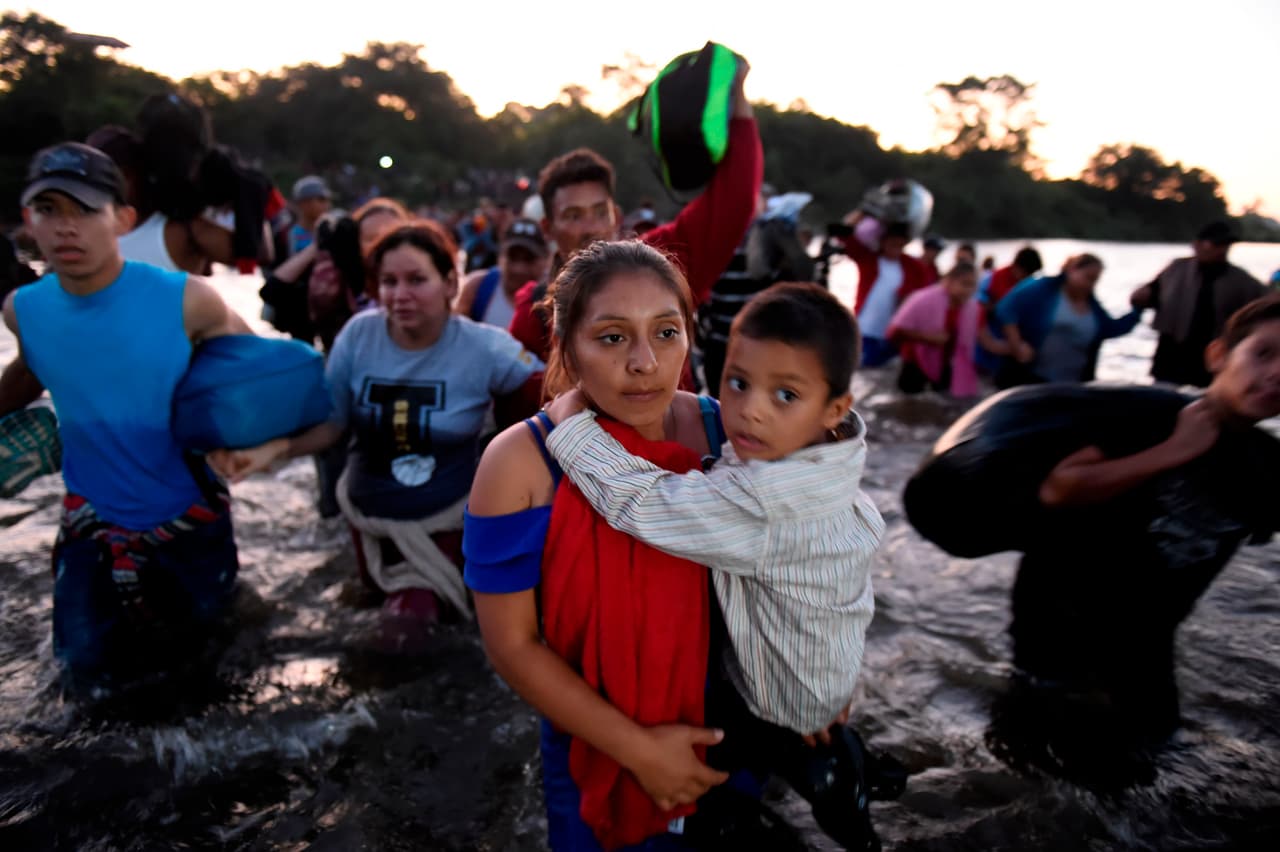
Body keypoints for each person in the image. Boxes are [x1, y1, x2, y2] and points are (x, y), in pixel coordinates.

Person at [542, 282, 890, 849]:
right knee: (803, 769)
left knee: (713, 787)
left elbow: (641, 502)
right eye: (738, 382)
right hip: (822, 676)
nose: (750, 409)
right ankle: (843, 778)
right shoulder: (833, 458)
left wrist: (570, 422)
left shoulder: (766, 505)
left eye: (785, 395)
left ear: (834, 408)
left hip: (776, 702)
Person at [464, 242, 743, 851]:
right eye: (613, 338)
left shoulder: (727, 434)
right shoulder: (519, 464)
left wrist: (819, 693)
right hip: (594, 745)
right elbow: (512, 645)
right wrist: (640, 751)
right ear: (567, 347)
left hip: (732, 732)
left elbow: (802, 564)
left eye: (666, 332)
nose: (645, 362)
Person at [992, 294, 1280, 781]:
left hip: (1147, 649)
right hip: (1059, 640)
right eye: (1263, 353)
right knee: (1035, 777)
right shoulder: (1150, 415)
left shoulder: (1264, 465)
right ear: (1218, 355)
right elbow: (1061, 487)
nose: (1276, 373)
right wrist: (1175, 450)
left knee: (1154, 775)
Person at [211, 221, 543, 628]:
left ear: (450, 283)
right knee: (363, 618)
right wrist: (273, 450)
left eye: (416, 280)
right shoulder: (359, 335)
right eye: (389, 282)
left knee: (406, 628)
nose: (400, 294)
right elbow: (332, 425)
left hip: (443, 527)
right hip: (366, 524)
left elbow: (549, 395)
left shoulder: (486, 347)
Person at [0, 142, 249, 680]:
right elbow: (30, 370)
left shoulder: (188, 301)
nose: (67, 228)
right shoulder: (24, 310)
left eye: (86, 209)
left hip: (190, 527)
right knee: (84, 683)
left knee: (208, 678)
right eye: (49, 210)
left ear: (123, 219)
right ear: (28, 221)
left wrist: (250, 439)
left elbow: (263, 378)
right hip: (90, 529)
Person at [507, 60, 762, 369]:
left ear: (616, 216)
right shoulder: (533, 317)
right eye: (574, 216)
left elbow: (734, 201)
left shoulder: (662, 264)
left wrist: (736, 93)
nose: (591, 228)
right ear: (548, 228)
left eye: (600, 212)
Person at [1130, 221, 1266, 388]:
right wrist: (1140, 297)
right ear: (1197, 244)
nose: (1222, 250)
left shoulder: (1242, 281)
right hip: (1170, 358)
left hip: (1212, 363)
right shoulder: (1176, 269)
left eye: (1225, 245)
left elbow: (1264, 307)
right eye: (1216, 244)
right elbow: (1149, 294)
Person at [995, 253, 1140, 386]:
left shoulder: (1093, 306)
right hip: (1032, 379)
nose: (1090, 284)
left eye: (1095, 280)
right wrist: (1017, 345)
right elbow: (1006, 308)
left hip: (1074, 384)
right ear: (1072, 269)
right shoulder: (1044, 287)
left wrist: (1138, 309)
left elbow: (1111, 329)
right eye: (1088, 277)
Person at [838, 212, 929, 368]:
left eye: (899, 241)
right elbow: (843, 234)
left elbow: (922, 301)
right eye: (891, 240)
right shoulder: (868, 259)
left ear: (906, 242)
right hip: (864, 331)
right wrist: (864, 212)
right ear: (882, 240)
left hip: (895, 336)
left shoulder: (915, 267)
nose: (895, 244)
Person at [888, 261, 993, 396]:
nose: (969, 290)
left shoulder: (972, 308)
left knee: (948, 401)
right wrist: (928, 338)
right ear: (949, 281)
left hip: (947, 363)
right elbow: (893, 332)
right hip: (915, 363)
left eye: (973, 286)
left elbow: (985, 339)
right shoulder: (922, 299)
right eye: (965, 284)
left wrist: (1012, 348)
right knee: (909, 402)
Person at [454, 218, 550, 329]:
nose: (519, 269)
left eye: (529, 259)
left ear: (546, 260)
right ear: (500, 257)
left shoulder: (554, 296)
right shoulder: (476, 287)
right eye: (512, 258)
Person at [286, 175, 332, 256]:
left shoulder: (332, 229)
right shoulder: (292, 235)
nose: (327, 205)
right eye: (321, 199)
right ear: (304, 203)